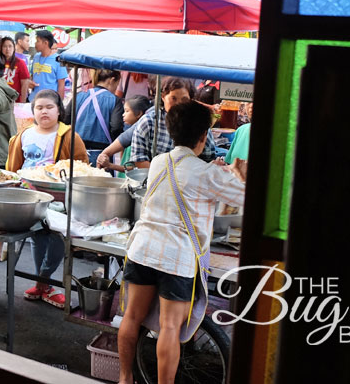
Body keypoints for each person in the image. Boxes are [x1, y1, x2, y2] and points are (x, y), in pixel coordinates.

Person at [117, 101, 247, 384]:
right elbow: (246, 196)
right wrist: (235, 171)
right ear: (203, 136)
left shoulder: (158, 162)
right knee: (170, 327)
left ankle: (125, 378)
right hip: (177, 258)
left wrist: (215, 170)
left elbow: (185, 176)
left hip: (142, 249)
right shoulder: (208, 174)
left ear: (171, 130)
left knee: (131, 317)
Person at [5, 89, 88, 307]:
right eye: (39, 107)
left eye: (49, 107)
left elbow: (82, 168)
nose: (44, 111)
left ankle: (42, 280)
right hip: (29, 196)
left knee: (58, 237)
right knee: (37, 237)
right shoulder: (23, 136)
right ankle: (44, 286)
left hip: (59, 199)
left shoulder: (70, 136)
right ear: (33, 111)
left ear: (59, 110)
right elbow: (13, 168)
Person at [129, 77, 218, 169]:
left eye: (184, 100)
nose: (178, 104)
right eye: (173, 98)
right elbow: (139, 159)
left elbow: (208, 158)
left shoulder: (199, 123)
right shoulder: (148, 122)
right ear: (163, 97)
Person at [96, 95, 152, 172]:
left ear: (139, 113)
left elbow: (135, 169)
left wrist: (111, 165)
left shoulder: (138, 141)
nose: (123, 114)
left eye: (127, 111)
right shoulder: (126, 138)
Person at [71, 69, 122, 153]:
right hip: (102, 151)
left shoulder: (79, 96)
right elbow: (116, 127)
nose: (116, 88)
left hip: (76, 148)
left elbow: (66, 120)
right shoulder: (115, 100)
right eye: (117, 84)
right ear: (112, 80)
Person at [28, 30, 66, 101]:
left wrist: (59, 104)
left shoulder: (58, 60)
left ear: (45, 43)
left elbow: (61, 85)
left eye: (37, 41)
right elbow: (32, 76)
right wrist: (30, 83)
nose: (35, 44)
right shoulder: (36, 57)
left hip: (50, 101)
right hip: (33, 100)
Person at [0, 37, 30, 103]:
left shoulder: (20, 63)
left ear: (14, 47)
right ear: (1, 48)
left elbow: (25, 83)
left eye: (10, 46)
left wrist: (23, 101)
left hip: (14, 100)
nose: (7, 49)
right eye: (4, 46)